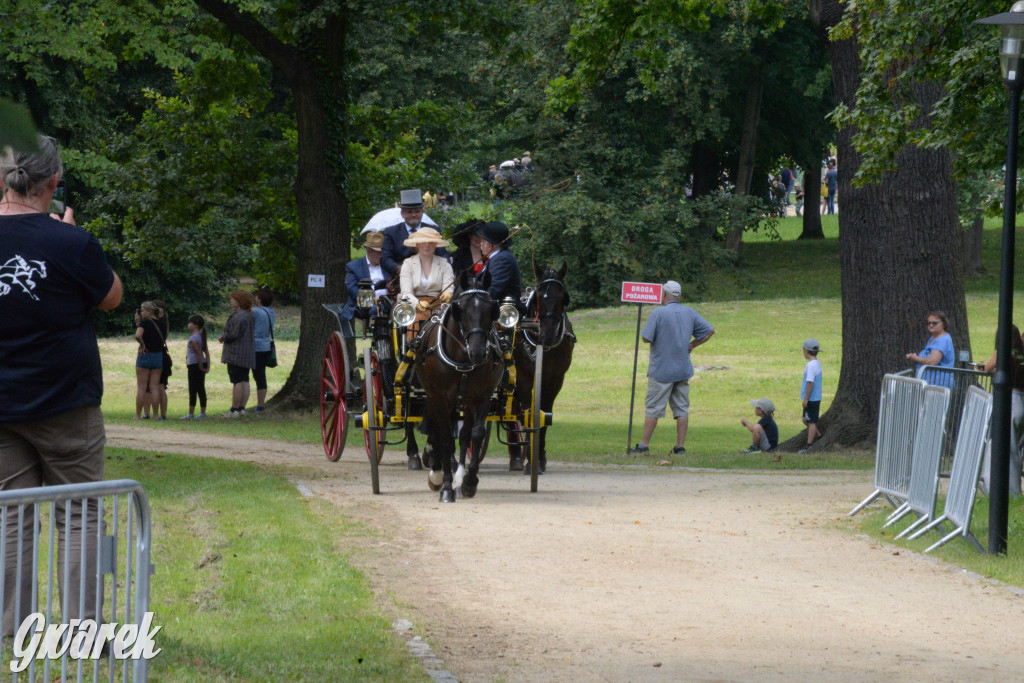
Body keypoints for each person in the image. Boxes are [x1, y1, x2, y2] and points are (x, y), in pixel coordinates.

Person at [0, 134, 123, 636]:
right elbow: (112, 298)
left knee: (11, 514)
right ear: (54, 182)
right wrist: (69, 238)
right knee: (79, 514)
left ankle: (12, 627)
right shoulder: (72, 242)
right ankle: (83, 628)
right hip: (67, 400)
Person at [631, 281, 715, 456]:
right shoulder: (689, 312)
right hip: (683, 369)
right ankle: (679, 447)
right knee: (681, 409)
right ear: (679, 296)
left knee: (653, 409)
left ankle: (644, 446)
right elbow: (709, 331)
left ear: (664, 295)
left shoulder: (658, 313)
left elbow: (646, 338)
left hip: (661, 370)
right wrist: (692, 344)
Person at [978, 324, 1024, 496]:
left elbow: (989, 368)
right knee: (1013, 448)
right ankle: (1009, 489)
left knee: (1004, 447)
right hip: (1021, 400)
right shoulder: (1020, 355)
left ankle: (1008, 492)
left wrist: (983, 367)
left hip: (1011, 400)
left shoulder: (1004, 351)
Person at [381, 189, 450, 275]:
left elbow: (442, 253)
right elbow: (385, 258)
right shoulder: (391, 232)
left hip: (431, 276)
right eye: (409, 212)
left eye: (417, 211)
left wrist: (444, 267)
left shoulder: (433, 230)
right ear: (402, 213)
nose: (413, 215)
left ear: (422, 212)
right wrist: (399, 269)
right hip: (401, 279)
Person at [398, 226, 455, 323]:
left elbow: (449, 285)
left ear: (436, 244)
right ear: (417, 244)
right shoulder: (408, 263)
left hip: (438, 308)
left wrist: (448, 293)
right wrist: (417, 303)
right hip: (413, 308)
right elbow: (406, 292)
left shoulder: (445, 264)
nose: (427, 245)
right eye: (423, 242)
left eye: (431, 242)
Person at [219, 290, 255, 417]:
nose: (231, 301)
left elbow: (233, 334)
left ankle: (234, 410)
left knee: (237, 381)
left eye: (233, 299)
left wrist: (223, 337)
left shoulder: (238, 316)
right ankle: (242, 409)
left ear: (239, 301)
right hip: (247, 353)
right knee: (245, 380)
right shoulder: (249, 315)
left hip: (236, 354)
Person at [471, 221, 521, 303]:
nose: (480, 244)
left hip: (503, 310)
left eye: (482, 241)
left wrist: (475, 301)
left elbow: (493, 290)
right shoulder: (497, 257)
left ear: (489, 245)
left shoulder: (502, 259)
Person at [135, 301, 166, 419]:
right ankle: (156, 415)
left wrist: (142, 344)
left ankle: (138, 415)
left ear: (149, 311)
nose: (141, 313)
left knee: (142, 387)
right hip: (158, 356)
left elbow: (138, 335)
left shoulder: (145, 323)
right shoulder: (162, 324)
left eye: (142, 310)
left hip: (145, 355)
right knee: (154, 387)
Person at [906, 310, 954, 386]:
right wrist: (914, 357)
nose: (931, 325)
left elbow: (932, 362)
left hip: (937, 387)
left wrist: (916, 358)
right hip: (928, 385)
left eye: (934, 323)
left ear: (944, 324)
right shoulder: (933, 338)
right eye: (929, 323)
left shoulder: (943, 340)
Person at [182, 314, 210, 420]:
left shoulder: (193, 338)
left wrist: (200, 367)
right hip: (201, 364)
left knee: (193, 389)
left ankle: (191, 413)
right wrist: (207, 365)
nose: (188, 325)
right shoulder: (202, 337)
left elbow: (198, 353)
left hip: (194, 365)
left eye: (190, 323)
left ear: (195, 325)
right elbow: (206, 353)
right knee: (201, 388)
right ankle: (202, 413)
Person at [252, 287, 276, 412]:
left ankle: (260, 405)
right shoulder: (272, 312)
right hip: (266, 346)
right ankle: (260, 404)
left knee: (258, 376)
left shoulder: (256, 311)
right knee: (261, 375)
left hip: (256, 347)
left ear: (259, 300)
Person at [800, 339, 824, 452]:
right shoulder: (816, 363)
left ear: (806, 351)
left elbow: (810, 382)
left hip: (812, 398)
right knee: (806, 419)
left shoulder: (811, 366)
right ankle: (819, 437)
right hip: (814, 398)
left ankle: (809, 445)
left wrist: (806, 399)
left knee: (811, 422)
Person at [153, 299, 171, 420]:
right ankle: (163, 414)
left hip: (156, 355)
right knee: (162, 386)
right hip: (164, 355)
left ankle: (153, 413)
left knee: (156, 386)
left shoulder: (154, 324)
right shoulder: (165, 324)